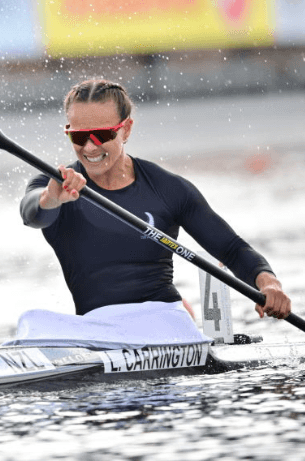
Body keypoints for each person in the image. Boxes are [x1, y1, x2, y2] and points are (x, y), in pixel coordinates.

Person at [17, 79, 290, 344]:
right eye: (77, 136)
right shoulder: (52, 186)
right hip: (96, 327)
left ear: (126, 130)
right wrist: (51, 199)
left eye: (102, 134)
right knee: (31, 321)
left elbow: (231, 249)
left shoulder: (167, 189)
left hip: (160, 318)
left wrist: (268, 284)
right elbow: (31, 215)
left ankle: (191, 336)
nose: (89, 147)